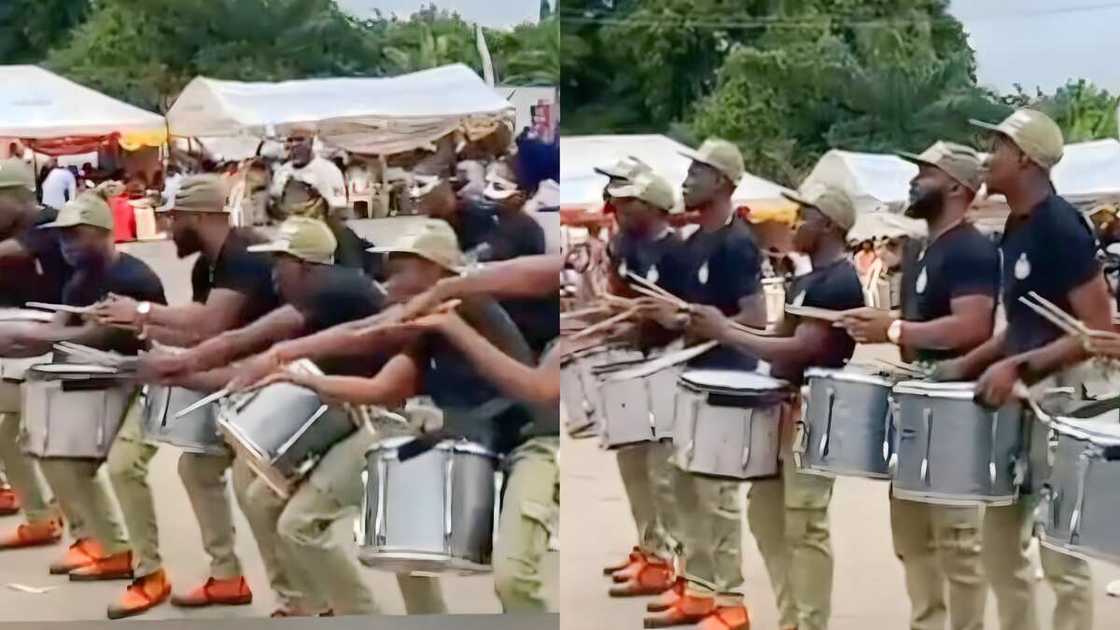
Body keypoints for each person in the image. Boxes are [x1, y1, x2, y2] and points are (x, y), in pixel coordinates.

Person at [242, 219, 557, 612]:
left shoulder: (469, 307)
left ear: (434, 270)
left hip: (527, 441)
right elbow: (383, 388)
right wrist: (300, 378)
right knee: (401, 518)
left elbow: (369, 333)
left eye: (401, 267)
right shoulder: (426, 324)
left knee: (513, 578)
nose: (389, 280)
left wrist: (453, 322)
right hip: (460, 436)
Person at [138, 216, 427, 618]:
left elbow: (244, 343)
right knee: (258, 495)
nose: (273, 273)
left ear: (304, 265)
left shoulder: (329, 289)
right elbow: (254, 357)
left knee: (303, 525)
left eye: (280, 262)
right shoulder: (320, 291)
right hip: (342, 409)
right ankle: (303, 603)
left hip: (382, 418)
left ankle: (354, 613)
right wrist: (185, 366)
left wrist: (181, 367)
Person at [937, 109, 1109, 630]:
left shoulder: (1061, 226)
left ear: (1027, 159)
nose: (987, 156)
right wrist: (960, 367)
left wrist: (1016, 366)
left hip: (1066, 399)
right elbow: (1024, 326)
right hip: (1024, 394)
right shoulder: (1015, 225)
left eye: (999, 145)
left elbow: (1102, 334)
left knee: (1060, 555)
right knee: (999, 552)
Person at [88, 174, 282, 608]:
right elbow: (199, 336)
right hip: (238, 379)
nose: (167, 228)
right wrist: (138, 326)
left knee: (260, 497)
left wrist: (140, 311)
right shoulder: (205, 266)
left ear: (198, 215)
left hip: (274, 385)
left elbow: (210, 324)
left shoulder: (246, 255)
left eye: (173, 218)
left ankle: (301, 601)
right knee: (197, 471)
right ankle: (227, 577)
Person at [684, 185, 864, 630]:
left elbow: (799, 349)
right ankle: (791, 618)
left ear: (830, 225)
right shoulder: (805, 279)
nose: (794, 223)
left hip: (815, 413)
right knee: (766, 518)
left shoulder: (841, 281)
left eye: (804, 216)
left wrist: (725, 331)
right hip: (784, 410)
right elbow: (776, 342)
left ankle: (810, 622)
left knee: (805, 526)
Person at [840, 142, 997, 630]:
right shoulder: (920, 249)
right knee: (912, 540)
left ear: (956, 185)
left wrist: (893, 328)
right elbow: (912, 342)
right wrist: (891, 329)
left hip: (957, 411)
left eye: (924, 171)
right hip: (918, 402)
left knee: (957, 544)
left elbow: (973, 326)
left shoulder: (971, 248)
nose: (913, 180)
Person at [0, 188, 170, 619]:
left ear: (104, 233)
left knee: (123, 468)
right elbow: (58, 331)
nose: (67, 246)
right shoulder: (79, 281)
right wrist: (17, 343)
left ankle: (151, 574)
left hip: (157, 380)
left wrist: (28, 336)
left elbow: (92, 336)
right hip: (108, 379)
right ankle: (110, 546)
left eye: (77, 236)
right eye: (63, 238)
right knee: (58, 454)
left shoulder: (134, 280)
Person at [636, 138, 766, 630]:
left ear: (725, 184)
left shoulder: (739, 242)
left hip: (729, 380)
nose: (686, 181)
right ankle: (700, 589)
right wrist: (669, 316)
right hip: (691, 377)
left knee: (718, 496)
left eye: (698, 172)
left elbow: (755, 316)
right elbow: (687, 315)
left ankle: (732, 603)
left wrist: (704, 321)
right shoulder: (693, 245)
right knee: (685, 486)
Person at [597, 170, 688, 599]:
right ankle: (650, 549)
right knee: (632, 463)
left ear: (652, 206)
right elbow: (618, 297)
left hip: (666, 363)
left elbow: (687, 317)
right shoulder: (624, 245)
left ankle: (677, 560)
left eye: (628, 201)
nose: (619, 207)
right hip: (631, 362)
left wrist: (654, 321)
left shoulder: (676, 252)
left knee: (662, 470)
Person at [0, 158, 70, 552]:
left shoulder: (50, 225)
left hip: (57, 346)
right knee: (10, 438)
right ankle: (40, 518)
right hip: (20, 346)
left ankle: (96, 534)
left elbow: (13, 253)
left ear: (15, 197)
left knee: (45, 441)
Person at [478, 159, 558, 356]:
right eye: (487, 183)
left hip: (523, 325)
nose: (487, 192)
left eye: (497, 187)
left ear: (520, 196)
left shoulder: (524, 228)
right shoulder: (495, 221)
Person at [271, 131, 347, 216]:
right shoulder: (281, 172)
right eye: (290, 140)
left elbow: (338, 207)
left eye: (300, 140)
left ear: (311, 142)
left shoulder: (330, 171)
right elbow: (275, 204)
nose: (294, 144)